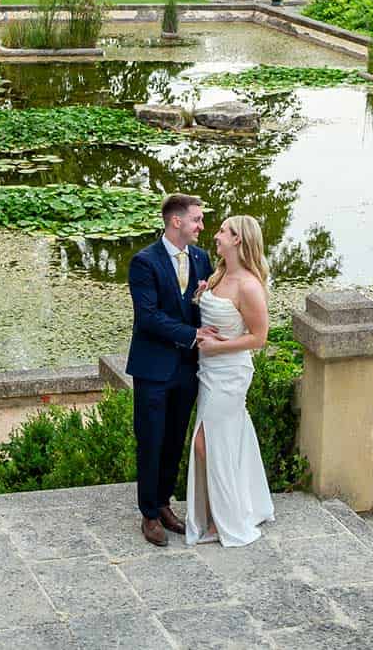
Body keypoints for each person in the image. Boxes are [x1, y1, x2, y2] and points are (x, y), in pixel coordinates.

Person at [125, 192, 212, 547]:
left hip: (187, 369)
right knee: (151, 439)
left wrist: (208, 299)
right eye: (196, 219)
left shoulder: (201, 258)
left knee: (175, 439)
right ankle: (148, 514)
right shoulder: (144, 262)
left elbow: (204, 307)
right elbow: (148, 317)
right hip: (153, 368)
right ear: (176, 221)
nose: (201, 226)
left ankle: (163, 503)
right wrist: (192, 335)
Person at [187, 213, 276, 547]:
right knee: (225, 439)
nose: (216, 234)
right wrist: (202, 295)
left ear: (238, 239)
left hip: (230, 373)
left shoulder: (249, 285)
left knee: (206, 443)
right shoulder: (219, 273)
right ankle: (239, 506)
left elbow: (259, 338)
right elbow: (212, 314)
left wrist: (219, 347)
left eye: (223, 231)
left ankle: (220, 521)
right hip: (208, 371)